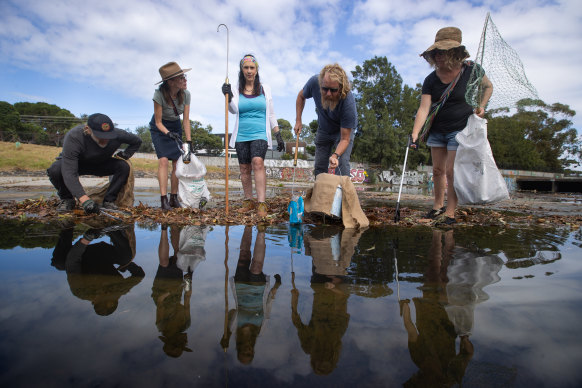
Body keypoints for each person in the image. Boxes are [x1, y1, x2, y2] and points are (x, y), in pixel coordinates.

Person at [411, 27, 493, 225]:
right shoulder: (430, 80)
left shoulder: (472, 71)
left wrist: (482, 106)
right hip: (437, 129)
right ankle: (437, 206)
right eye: (435, 53)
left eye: (442, 53)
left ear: (454, 53)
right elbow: (424, 109)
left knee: (451, 171)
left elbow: (488, 87)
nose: (437, 57)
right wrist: (414, 134)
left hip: (460, 129)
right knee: (437, 171)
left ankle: (450, 212)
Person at [221, 54, 285, 217]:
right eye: (246, 67)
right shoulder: (236, 89)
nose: (249, 71)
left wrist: (277, 134)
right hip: (241, 134)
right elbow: (234, 110)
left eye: (252, 67)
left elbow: (271, 114)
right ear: (241, 70)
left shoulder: (265, 89)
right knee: (244, 168)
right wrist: (227, 97)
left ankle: (261, 203)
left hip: (260, 133)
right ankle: (248, 200)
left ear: (256, 70)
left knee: (257, 162)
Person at [47, 113, 142, 214]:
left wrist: (125, 154)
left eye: (108, 136)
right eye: (101, 136)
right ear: (88, 129)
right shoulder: (74, 137)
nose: (105, 139)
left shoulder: (118, 134)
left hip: (101, 163)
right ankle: (67, 199)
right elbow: (69, 172)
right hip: (78, 164)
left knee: (123, 166)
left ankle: (109, 200)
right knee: (55, 169)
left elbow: (137, 141)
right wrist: (85, 200)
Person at [51, 225, 145, 316]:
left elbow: (72, 261)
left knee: (59, 263)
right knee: (126, 257)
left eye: (103, 296)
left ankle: (68, 227)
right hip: (102, 253)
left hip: (81, 257)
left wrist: (86, 239)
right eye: (109, 295)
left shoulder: (80, 291)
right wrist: (125, 265)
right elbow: (139, 275)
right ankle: (111, 228)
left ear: (94, 300)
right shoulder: (119, 290)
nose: (106, 292)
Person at [223, 225, 281, 364]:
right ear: (253, 350)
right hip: (257, 289)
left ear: (239, 348)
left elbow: (231, 312)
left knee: (244, 254)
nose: (247, 349)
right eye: (250, 352)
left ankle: (248, 225)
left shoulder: (233, 329)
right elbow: (268, 306)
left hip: (240, 288)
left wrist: (226, 333)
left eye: (244, 351)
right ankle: (261, 230)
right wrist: (276, 285)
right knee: (256, 267)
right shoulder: (260, 330)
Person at [294, 63, 357, 177]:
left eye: (333, 90)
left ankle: (342, 193)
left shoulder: (348, 103)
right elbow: (301, 96)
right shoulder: (314, 82)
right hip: (324, 129)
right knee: (319, 166)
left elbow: (345, 139)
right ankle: (320, 194)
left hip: (342, 132)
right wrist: (298, 120)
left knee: (341, 163)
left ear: (341, 89)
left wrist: (335, 155)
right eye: (325, 89)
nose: (328, 94)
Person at [150, 61, 193, 210]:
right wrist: (168, 134)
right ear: (170, 82)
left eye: (184, 76)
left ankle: (173, 198)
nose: (185, 80)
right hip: (160, 128)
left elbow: (186, 120)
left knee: (177, 162)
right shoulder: (159, 95)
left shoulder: (186, 94)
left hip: (175, 126)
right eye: (181, 78)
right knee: (163, 160)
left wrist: (188, 142)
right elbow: (158, 122)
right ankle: (163, 200)